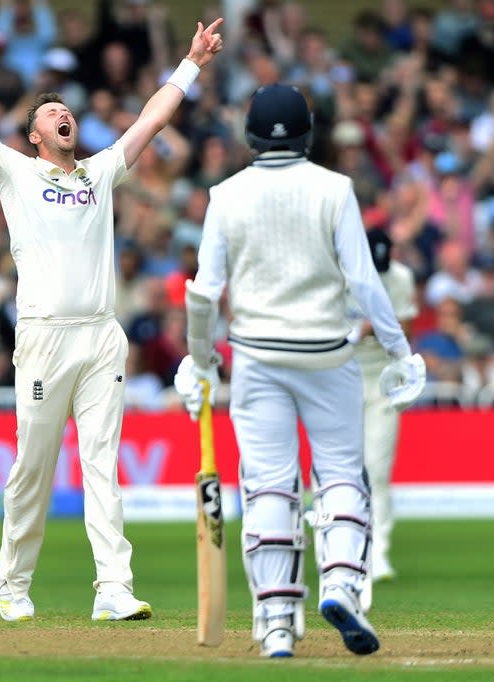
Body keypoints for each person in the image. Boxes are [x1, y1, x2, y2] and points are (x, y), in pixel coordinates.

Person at [0, 14, 223, 622]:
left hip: (100, 336)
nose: (66, 118)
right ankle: (13, 586)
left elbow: (153, 117)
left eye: (69, 114)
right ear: (35, 134)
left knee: (101, 465)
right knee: (33, 467)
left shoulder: (101, 171)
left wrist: (192, 61)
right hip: (43, 336)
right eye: (52, 115)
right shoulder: (12, 170)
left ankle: (113, 588)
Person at [173, 85, 425, 658]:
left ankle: (278, 622)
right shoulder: (335, 189)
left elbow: (204, 293)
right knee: (340, 475)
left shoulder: (225, 194)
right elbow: (365, 281)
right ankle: (340, 585)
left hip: (257, 355)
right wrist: (399, 349)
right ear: (309, 132)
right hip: (326, 352)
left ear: (250, 134)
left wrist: (199, 358)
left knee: (267, 483)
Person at [346, 228, 417, 587]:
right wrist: (360, 329)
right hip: (340, 378)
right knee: (340, 469)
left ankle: (378, 553)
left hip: (383, 380)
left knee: (377, 468)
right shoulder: (340, 273)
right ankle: (342, 549)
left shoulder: (400, 277)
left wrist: (379, 328)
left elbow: (406, 329)